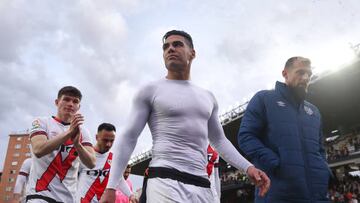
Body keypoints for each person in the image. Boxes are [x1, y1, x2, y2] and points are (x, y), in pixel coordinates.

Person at [100, 30, 270, 203]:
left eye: (177, 44)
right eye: (166, 47)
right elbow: (129, 137)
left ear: (193, 53)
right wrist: (111, 187)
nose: (170, 49)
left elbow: (219, 141)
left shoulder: (208, 97)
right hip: (164, 178)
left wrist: (248, 167)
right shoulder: (150, 90)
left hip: (202, 183)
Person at [238, 56, 331, 202]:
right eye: (300, 72)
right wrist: (275, 163)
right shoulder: (264, 99)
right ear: (285, 73)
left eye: (309, 74)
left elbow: (320, 148)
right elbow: (246, 136)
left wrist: (323, 169)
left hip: (316, 195)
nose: (306, 77)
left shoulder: (313, 111)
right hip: (277, 193)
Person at [27, 86, 96, 203]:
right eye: (66, 99)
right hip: (39, 195)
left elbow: (92, 163)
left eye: (75, 101)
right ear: (57, 102)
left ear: (79, 106)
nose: (70, 104)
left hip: (68, 198)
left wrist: (78, 145)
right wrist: (69, 132)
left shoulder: (83, 132)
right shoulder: (41, 122)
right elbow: (38, 150)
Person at [77, 123, 116, 203]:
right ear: (97, 137)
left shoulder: (114, 159)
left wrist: (131, 195)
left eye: (112, 141)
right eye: (105, 140)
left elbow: (119, 179)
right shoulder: (84, 155)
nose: (109, 144)